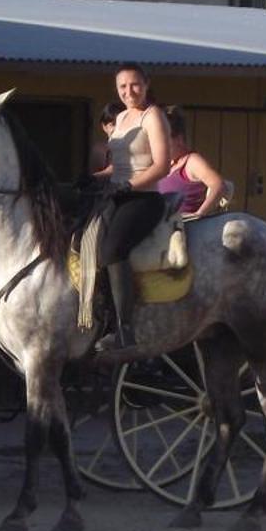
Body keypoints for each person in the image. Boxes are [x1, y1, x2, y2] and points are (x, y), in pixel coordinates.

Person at [92, 63, 172, 352]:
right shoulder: (122, 117)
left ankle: (125, 329)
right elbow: (118, 165)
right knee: (84, 242)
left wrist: (129, 185)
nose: (129, 92)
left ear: (146, 84)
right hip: (116, 193)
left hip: (144, 198)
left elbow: (162, 165)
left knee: (113, 249)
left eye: (135, 85)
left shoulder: (154, 117)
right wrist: (93, 178)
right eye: (123, 87)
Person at [155, 107, 226, 221]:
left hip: (185, 229)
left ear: (179, 139)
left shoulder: (192, 162)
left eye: (164, 141)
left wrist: (199, 214)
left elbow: (218, 185)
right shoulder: (163, 165)